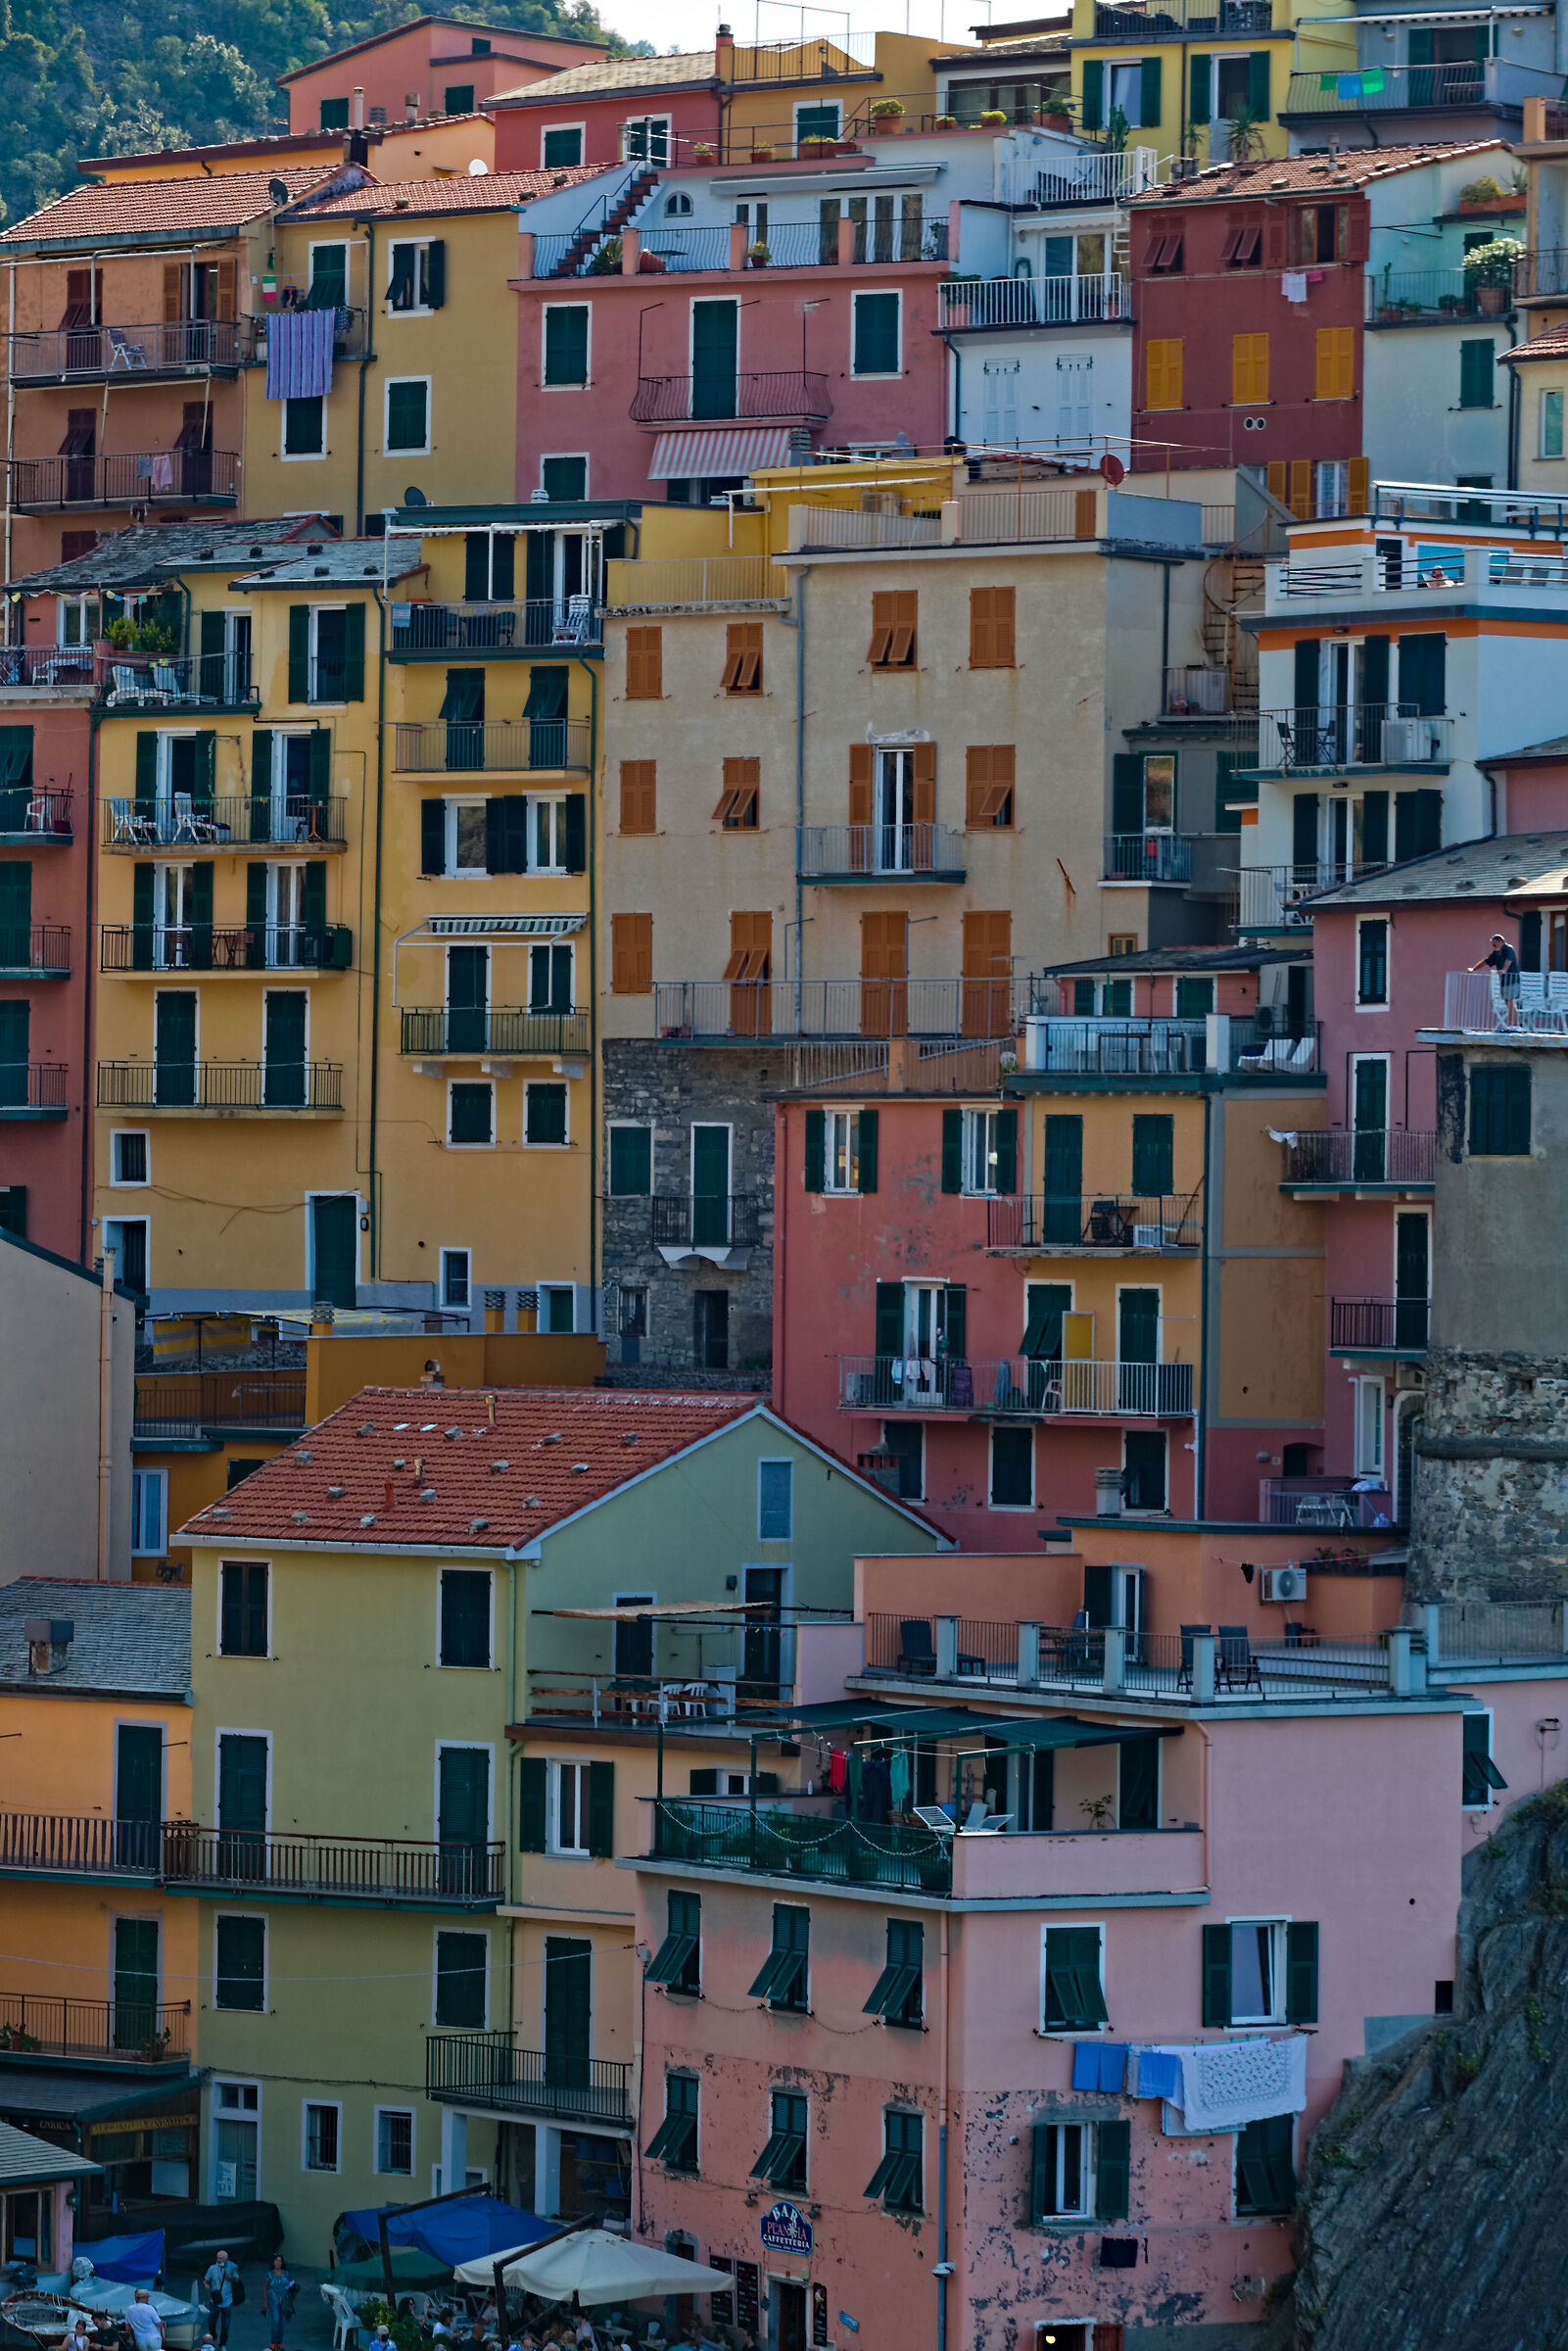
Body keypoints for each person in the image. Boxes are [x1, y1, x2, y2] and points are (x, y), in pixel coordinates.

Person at [1472, 931, 1522, 1027]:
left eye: (1494, 945)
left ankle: (1515, 1025)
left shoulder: (1509, 949)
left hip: (1512, 980)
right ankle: (1512, 1025)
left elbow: (1509, 960)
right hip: (1504, 981)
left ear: (1500, 942)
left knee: (1510, 1001)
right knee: (1507, 1002)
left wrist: (1504, 970)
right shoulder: (1496, 953)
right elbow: (1486, 961)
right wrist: (1473, 969)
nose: (1494, 947)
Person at [203, 2255, 240, 2350]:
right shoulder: (212, 2268)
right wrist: (206, 2285)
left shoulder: (231, 2267)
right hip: (215, 2300)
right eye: (218, 2258)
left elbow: (237, 2280)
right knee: (211, 2322)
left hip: (227, 2301)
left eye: (221, 2258)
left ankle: (223, 2344)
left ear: (226, 2259)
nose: (219, 2260)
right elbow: (206, 2280)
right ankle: (213, 2337)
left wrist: (231, 2277)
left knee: (225, 2325)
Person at [263, 2256, 296, 2351]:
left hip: (284, 2300)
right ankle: (273, 2343)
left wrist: (292, 2286)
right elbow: (265, 2287)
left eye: (280, 2261)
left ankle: (280, 2343)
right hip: (273, 2300)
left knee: (282, 2322)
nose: (278, 2262)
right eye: (276, 2260)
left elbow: (290, 2283)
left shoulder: (286, 2273)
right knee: (276, 2320)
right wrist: (265, 2303)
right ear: (273, 2262)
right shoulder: (270, 2274)